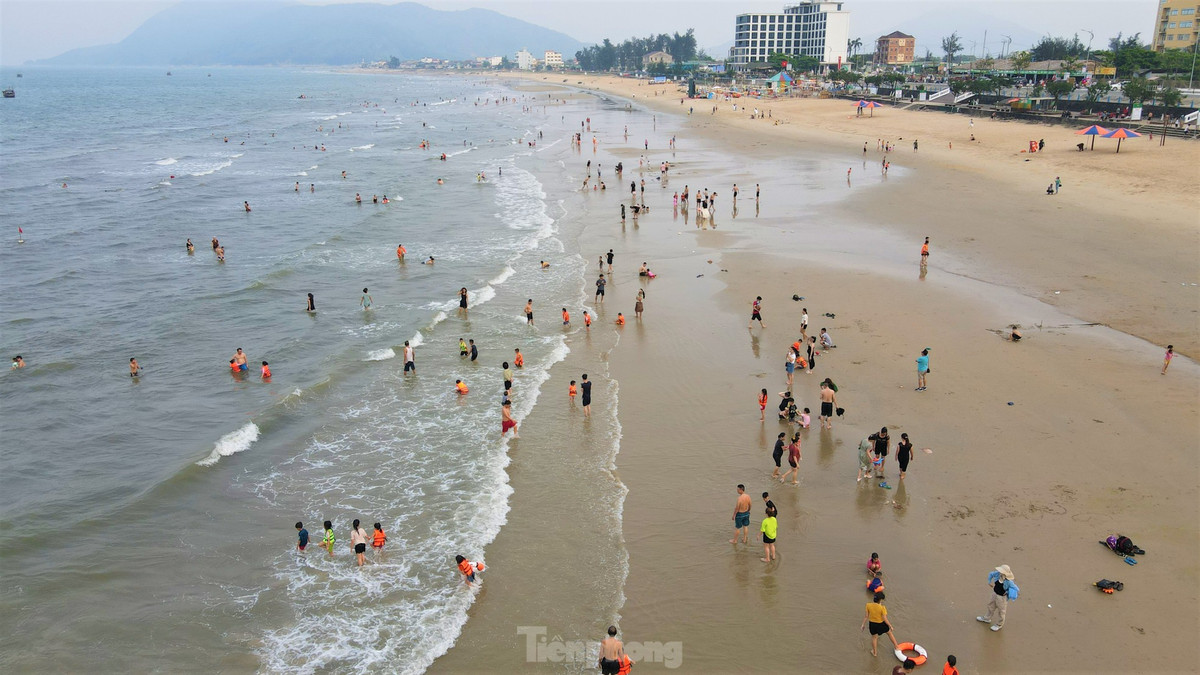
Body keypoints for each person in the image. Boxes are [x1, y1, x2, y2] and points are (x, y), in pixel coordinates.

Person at [977, 564, 1018, 631]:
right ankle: (987, 618)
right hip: (994, 594)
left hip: (1002, 598)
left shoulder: (1009, 582)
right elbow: (991, 574)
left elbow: (1016, 589)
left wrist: (1008, 592)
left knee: (1001, 611)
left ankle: (999, 624)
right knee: (990, 606)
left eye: (1001, 571)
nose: (999, 571)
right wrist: (989, 581)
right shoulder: (997, 574)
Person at [861, 591, 900, 656]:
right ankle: (896, 646)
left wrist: (863, 625)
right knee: (889, 633)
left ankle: (875, 652)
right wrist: (890, 625)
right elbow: (885, 619)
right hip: (881, 624)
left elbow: (866, 616)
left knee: (874, 638)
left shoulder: (868, 605)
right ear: (881, 600)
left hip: (872, 625)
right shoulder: (882, 608)